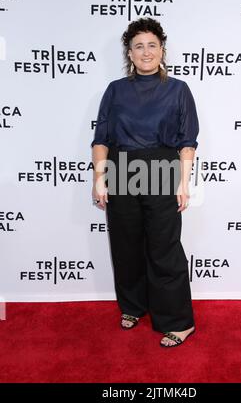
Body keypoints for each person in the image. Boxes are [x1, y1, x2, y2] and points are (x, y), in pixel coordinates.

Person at [91, 17, 199, 347]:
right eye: (138, 46)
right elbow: (101, 138)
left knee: (164, 248)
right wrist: (99, 178)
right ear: (130, 53)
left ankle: (178, 321)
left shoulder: (178, 89)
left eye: (152, 44)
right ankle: (133, 306)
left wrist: (183, 182)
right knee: (126, 246)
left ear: (162, 50)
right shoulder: (115, 90)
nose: (146, 51)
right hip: (121, 169)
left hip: (161, 169)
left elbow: (187, 141)